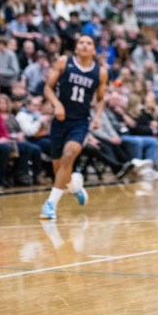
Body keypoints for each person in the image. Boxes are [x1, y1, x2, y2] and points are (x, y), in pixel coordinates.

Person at [40, 34, 106, 220]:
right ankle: (74, 187)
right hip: (60, 121)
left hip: (80, 122)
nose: (85, 46)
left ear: (94, 49)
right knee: (59, 168)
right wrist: (56, 104)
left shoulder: (100, 72)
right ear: (76, 48)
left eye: (89, 43)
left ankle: (50, 204)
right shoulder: (64, 62)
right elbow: (47, 87)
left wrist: (98, 116)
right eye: (81, 43)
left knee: (69, 156)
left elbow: (101, 99)